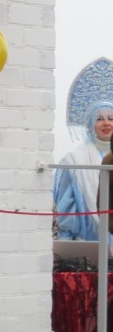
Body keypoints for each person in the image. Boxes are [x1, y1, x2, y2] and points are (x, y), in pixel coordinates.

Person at [54, 101, 113, 240]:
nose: (106, 123)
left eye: (111, 118)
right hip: (87, 239)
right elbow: (66, 205)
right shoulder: (74, 159)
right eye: (99, 119)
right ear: (90, 124)